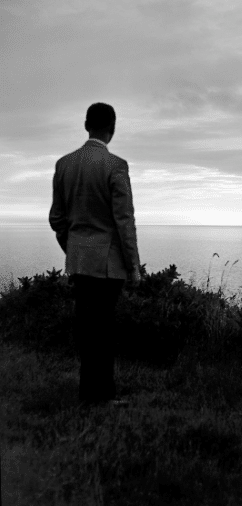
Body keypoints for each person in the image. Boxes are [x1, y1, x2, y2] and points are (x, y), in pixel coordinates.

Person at [49, 102, 141, 409]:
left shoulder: (64, 164)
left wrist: (72, 247)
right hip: (107, 263)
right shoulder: (116, 165)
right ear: (111, 129)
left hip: (78, 261)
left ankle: (88, 393)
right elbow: (124, 221)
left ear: (86, 125)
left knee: (87, 328)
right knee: (104, 329)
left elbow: (57, 219)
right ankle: (102, 395)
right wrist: (134, 267)